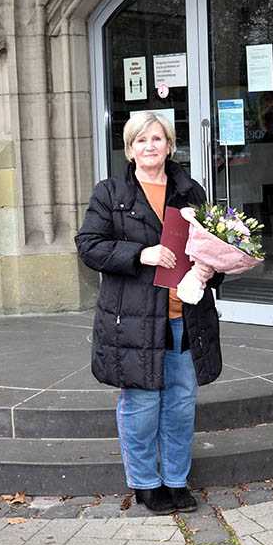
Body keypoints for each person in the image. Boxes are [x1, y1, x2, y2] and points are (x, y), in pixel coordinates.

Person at [76, 111, 223, 515]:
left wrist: (214, 267)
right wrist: (140, 253)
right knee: (142, 406)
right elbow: (89, 245)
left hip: (184, 317)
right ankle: (145, 482)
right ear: (129, 148)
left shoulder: (190, 191)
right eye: (141, 140)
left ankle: (176, 479)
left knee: (180, 404)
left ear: (170, 146)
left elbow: (212, 246)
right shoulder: (110, 192)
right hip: (134, 320)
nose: (150, 147)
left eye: (157, 139)